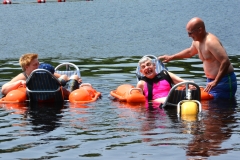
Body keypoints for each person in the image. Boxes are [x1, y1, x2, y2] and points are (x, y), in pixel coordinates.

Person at [158, 17, 237, 99]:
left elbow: (225, 61)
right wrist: (171, 57)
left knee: (221, 109)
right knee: (210, 108)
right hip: (211, 82)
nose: (189, 36)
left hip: (224, 81)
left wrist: (216, 81)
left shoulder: (210, 42)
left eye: (190, 33)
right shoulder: (197, 41)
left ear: (200, 30)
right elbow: (190, 52)